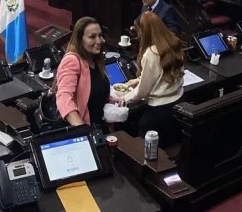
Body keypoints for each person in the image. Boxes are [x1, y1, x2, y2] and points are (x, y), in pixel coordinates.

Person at [125, 11, 185, 148]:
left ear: (144, 31)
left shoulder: (151, 53)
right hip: (178, 102)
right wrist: (139, 79)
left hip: (159, 111)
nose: (138, 35)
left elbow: (142, 92)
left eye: (139, 31)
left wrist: (123, 99)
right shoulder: (173, 42)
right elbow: (163, 72)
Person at [56, 16, 120, 126]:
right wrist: (82, 130)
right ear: (80, 40)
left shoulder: (96, 60)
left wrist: (111, 101)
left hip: (100, 126)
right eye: (92, 37)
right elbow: (64, 98)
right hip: (82, 130)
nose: (99, 41)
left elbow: (93, 94)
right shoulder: (72, 60)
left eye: (100, 36)